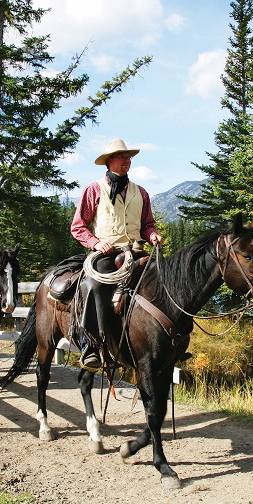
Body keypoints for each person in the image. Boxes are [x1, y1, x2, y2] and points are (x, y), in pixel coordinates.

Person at [70, 138, 163, 369]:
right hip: (107, 253)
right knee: (93, 285)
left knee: (163, 280)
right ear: (109, 161)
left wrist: (152, 235)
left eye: (129, 157)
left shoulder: (140, 192)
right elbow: (78, 227)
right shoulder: (93, 190)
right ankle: (90, 345)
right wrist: (95, 243)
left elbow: (147, 224)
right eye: (123, 157)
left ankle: (166, 341)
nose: (127, 161)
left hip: (137, 250)